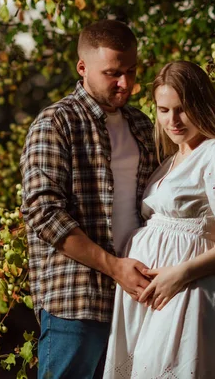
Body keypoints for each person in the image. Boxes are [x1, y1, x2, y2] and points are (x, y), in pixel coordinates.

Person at [103, 61, 215, 378]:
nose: (172, 120)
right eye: (163, 110)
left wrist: (180, 274)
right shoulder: (172, 159)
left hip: (190, 291)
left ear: (202, 106)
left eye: (182, 109)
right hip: (153, 297)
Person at [20, 20, 157, 379]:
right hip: (77, 300)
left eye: (131, 71)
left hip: (137, 299)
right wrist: (115, 268)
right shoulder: (55, 123)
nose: (125, 83)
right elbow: (43, 212)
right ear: (82, 68)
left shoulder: (143, 126)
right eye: (112, 73)